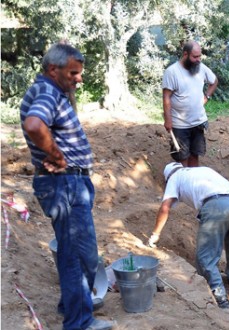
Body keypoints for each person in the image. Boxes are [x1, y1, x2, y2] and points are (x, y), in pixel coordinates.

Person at [20, 43, 116, 330]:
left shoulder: (52, 91)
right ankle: (79, 322)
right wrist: (56, 155)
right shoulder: (47, 91)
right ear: (53, 69)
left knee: (83, 253)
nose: (79, 79)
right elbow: (35, 125)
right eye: (74, 73)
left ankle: (72, 304)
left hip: (71, 183)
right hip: (64, 184)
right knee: (75, 253)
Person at [148, 163, 229, 311]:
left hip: (216, 206)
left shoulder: (174, 178)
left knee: (205, 257)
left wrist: (155, 234)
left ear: (167, 177)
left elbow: (165, 207)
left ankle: (221, 300)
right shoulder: (201, 170)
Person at [162, 41, 219, 167]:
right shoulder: (172, 72)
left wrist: (206, 97)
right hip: (180, 124)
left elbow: (214, 81)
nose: (198, 60)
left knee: (195, 154)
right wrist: (168, 120)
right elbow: (166, 97)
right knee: (182, 158)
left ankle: (193, 183)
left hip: (198, 122)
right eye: (195, 57)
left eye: (200, 56)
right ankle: (183, 183)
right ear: (185, 54)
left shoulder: (201, 67)